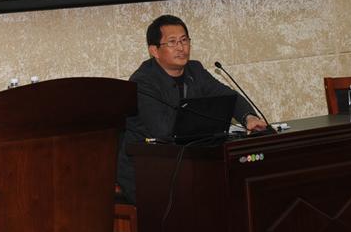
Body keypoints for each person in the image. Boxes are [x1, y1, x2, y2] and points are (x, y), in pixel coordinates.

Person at [115, 14, 268, 203]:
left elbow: (228, 96)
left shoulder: (195, 71)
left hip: (186, 163)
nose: (181, 48)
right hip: (146, 170)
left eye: (184, 40)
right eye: (172, 42)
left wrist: (249, 117)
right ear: (154, 50)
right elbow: (163, 130)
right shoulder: (143, 81)